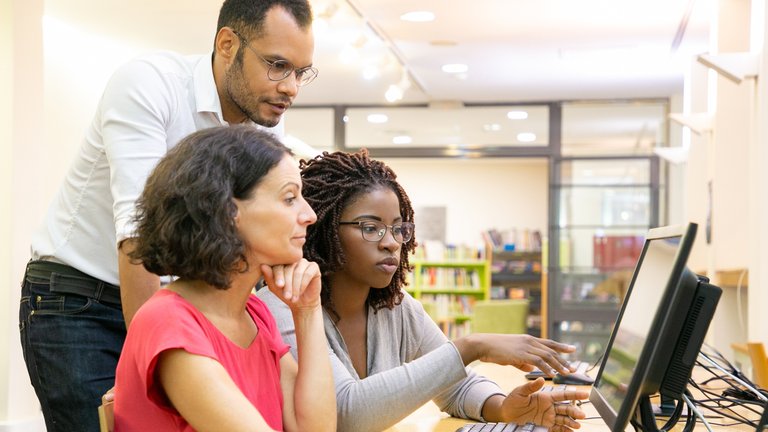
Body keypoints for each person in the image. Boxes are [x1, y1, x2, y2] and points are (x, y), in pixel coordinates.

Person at [18, 1, 317, 430]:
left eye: (301, 72)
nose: (291, 88)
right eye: (277, 66)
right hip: (80, 300)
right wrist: (145, 358)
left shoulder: (264, 120)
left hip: (176, 306)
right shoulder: (148, 84)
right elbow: (138, 235)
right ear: (228, 44)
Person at [257, 149, 590, 432]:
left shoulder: (396, 308)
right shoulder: (283, 305)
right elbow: (345, 413)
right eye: (371, 228)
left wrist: (504, 408)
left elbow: (455, 384)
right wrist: (471, 346)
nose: (391, 244)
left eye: (399, 229)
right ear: (324, 229)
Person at [113, 125, 334, 431]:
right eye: (289, 199)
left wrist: (307, 312)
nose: (309, 214)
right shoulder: (168, 322)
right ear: (228, 210)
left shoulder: (254, 314)